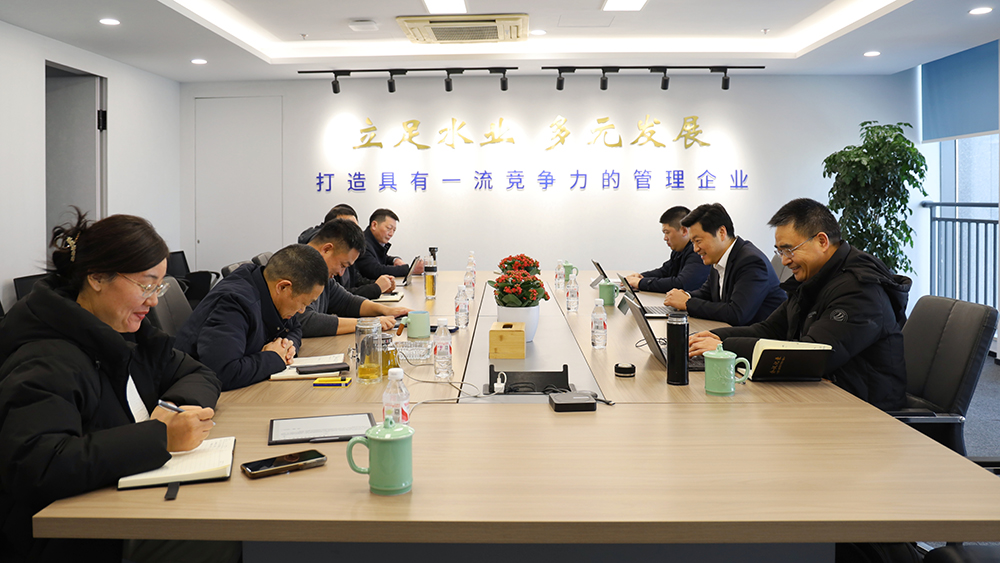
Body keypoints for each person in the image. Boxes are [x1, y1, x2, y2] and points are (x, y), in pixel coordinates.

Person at [0, 210, 224, 562]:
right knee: (221, 535)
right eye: (146, 285)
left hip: (126, 495)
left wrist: (175, 411)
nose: (154, 301)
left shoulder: (128, 335)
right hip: (75, 534)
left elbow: (199, 373)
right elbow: (39, 465)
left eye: (160, 287)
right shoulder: (46, 358)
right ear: (97, 277)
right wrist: (160, 437)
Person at [689, 198, 910, 410]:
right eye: (780, 251)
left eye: (789, 250)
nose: (784, 260)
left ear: (822, 241)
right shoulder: (815, 279)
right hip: (822, 397)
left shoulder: (860, 290)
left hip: (864, 411)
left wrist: (725, 348)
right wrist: (713, 337)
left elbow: (813, 355)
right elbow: (770, 329)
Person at [175, 244, 328, 391]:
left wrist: (286, 347)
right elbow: (223, 373)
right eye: (303, 303)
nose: (302, 311)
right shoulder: (234, 303)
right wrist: (274, 357)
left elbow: (295, 328)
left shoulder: (267, 285)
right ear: (283, 287)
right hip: (192, 392)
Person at [663, 203, 785, 326]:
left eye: (698, 241)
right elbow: (706, 293)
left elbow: (737, 314)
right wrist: (684, 296)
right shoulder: (719, 258)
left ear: (721, 232)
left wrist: (687, 303)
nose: (695, 249)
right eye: (693, 242)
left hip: (763, 335)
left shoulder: (751, 261)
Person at [298, 218, 409, 336]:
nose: (341, 273)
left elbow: (347, 302)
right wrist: (367, 324)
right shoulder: (297, 267)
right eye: (342, 265)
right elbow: (304, 321)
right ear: (327, 249)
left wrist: (387, 310)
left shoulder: (321, 272)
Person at [300, 205, 394, 299]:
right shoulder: (310, 270)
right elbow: (339, 298)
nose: (354, 233)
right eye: (348, 227)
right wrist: (376, 288)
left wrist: (380, 284)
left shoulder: (348, 252)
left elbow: (354, 284)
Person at [624, 206, 711, 293]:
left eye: (667, 232)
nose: (665, 238)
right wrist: (641, 277)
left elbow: (682, 284)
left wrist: (640, 283)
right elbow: (664, 272)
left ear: (684, 231)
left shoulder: (697, 252)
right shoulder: (678, 251)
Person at [355, 208, 424, 280]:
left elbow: (382, 259)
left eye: (394, 230)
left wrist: (395, 260)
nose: (391, 234)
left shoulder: (373, 242)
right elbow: (375, 270)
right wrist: (410, 270)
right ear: (374, 225)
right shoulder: (362, 243)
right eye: (389, 228)